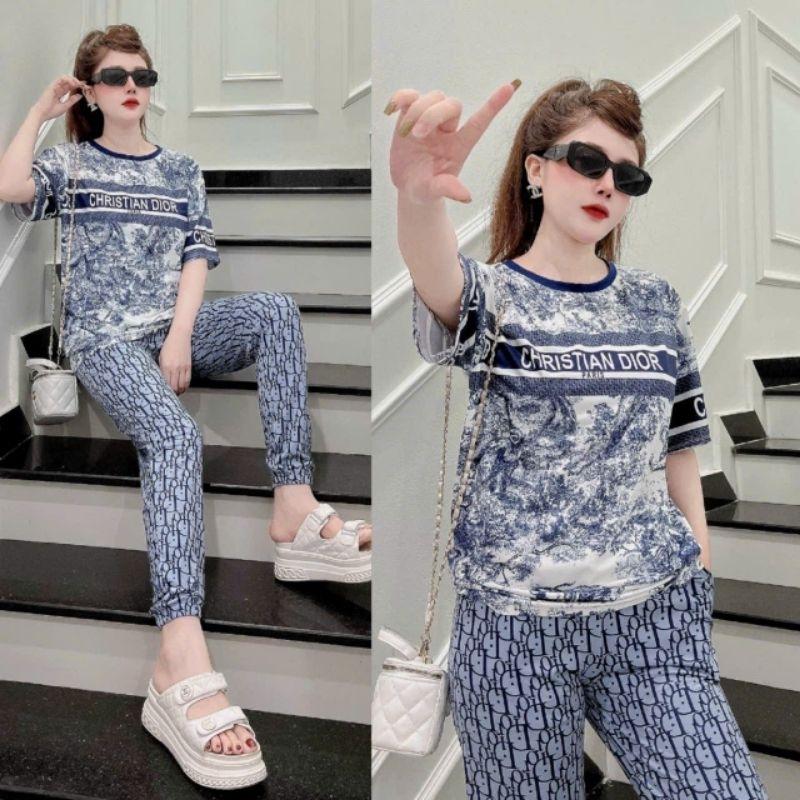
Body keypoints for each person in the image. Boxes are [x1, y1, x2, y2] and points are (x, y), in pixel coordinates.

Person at [0, 24, 371, 790]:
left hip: (170, 329)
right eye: (114, 76)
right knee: (172, 438)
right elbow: (9, 188)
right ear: (91, 89)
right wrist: (40, 110)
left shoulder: (180, 169)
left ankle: (293, 507)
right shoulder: (72, 163)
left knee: (274, 311)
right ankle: (178, 648)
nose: (131, 87)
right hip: (104, 341)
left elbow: (196, 257)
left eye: (142, 75)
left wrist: (178, 337)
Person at [385, 77, 768, 798]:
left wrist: (699, 562)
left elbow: (679, 442)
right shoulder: (494, 295)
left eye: (628, 176)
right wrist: (417, 197)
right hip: (514, 630)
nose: (607, 185)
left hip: (654, 618)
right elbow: (436, 273)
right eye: (587, 162)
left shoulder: (655, 302)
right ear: (536, 169)